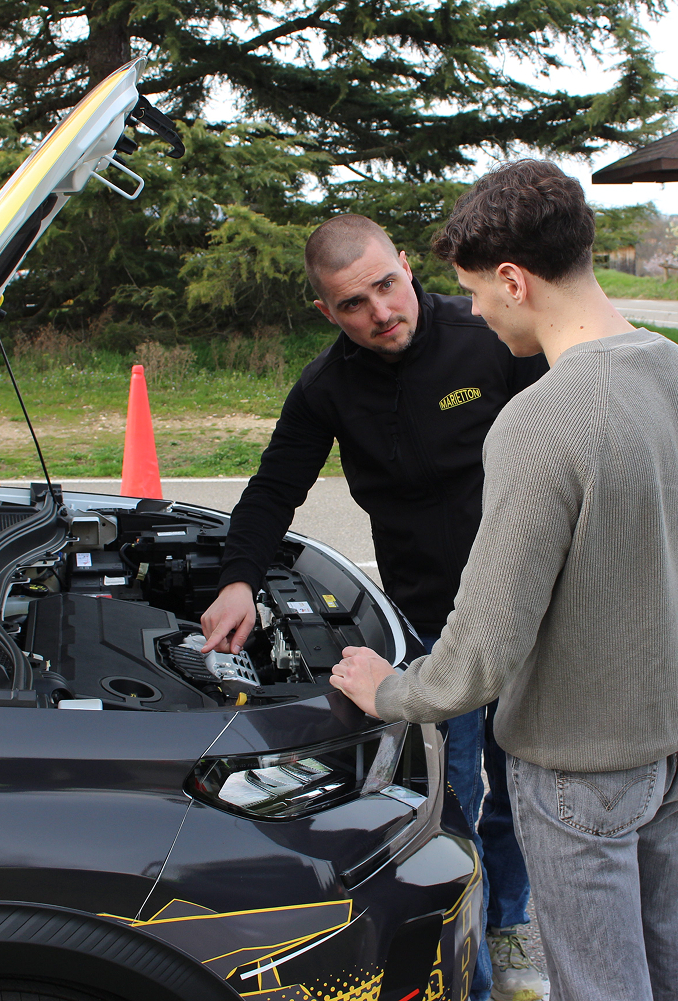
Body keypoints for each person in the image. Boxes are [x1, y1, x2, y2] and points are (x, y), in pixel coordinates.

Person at [329, 160, 678, 1001]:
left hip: (581, 768)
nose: (474, 312)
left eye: (478, 292)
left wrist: (393, 691)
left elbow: (482, 647)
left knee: (600, 987)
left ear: (515, 280)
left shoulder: (542, 418)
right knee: (676, 972)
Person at [198, 214, 550, 1001]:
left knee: (525, 787)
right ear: (328, 312)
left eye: (387, 285)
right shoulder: (327, 387)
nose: (382, 312)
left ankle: (510, 914)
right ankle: (471, 968)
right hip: (430, 629)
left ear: (403, 260)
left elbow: (565, 445)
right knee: (447, 801)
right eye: (354, 303)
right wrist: (236, 580)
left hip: (527, 617)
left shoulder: (486, 339)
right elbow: (272, 489)